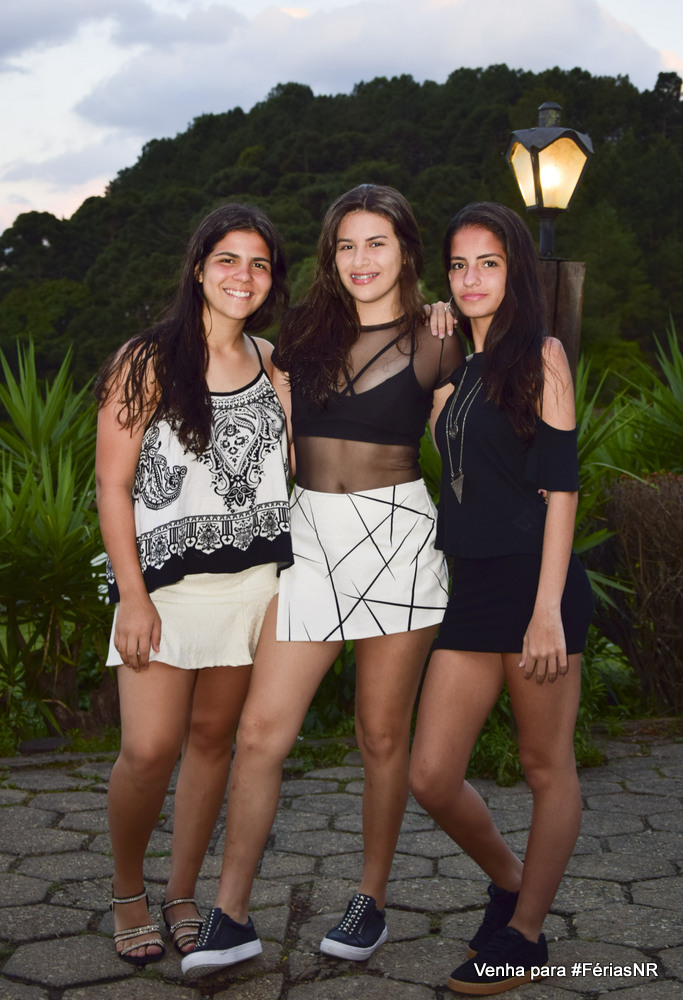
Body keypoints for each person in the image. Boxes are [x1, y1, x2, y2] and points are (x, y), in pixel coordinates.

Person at [181, 184, 463, 978]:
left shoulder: (437, 338)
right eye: (346, 245)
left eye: (376, 243)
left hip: (400, 541)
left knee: (381, 735)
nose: (360, 259)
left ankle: (370, 899)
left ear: (405, 251)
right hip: (308, 539)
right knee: (260, 733)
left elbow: (463, 447)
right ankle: (231, 916)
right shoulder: (302, 333)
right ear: (329, 256)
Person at [94, 203, 293, 966]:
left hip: (253, 585)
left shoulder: (273, 362)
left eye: (259, 263)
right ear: (200, 268)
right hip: (164, 589)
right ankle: (127, 890)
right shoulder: (146, 360)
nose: (243, 276)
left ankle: (181, 892)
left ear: (272, 279)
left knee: (213, 742)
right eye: (228, 259)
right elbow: (113, 486)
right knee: (148, 750)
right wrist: (131, 595)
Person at [409, 202, 594, 995]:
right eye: (458, 265)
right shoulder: (458, 373)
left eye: (488, 262)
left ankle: (524, 935)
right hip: (474, 588)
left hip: (534, 585)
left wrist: (546, 609)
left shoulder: (541, 356)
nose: (470, 278)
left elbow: (560, 488)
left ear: (514, 270)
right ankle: (513, 881)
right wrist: (437, 339)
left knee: (544, 764)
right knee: (430, 775)